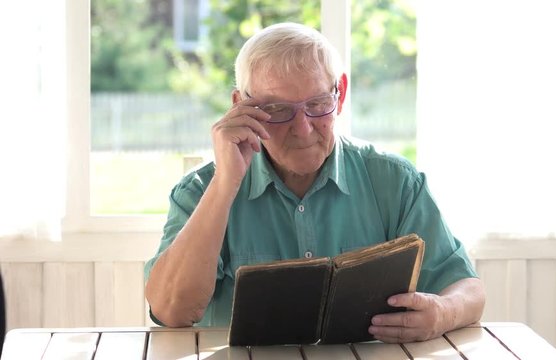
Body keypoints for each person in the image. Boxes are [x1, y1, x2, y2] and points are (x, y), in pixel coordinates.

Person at [144, 22, 485, 343]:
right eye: (278, 110)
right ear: (241, 106)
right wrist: (225, 185)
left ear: (340, 94)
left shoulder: (394, 182)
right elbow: (170, 311)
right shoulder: (200, 191)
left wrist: (441, 313)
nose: (303, 127)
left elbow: (468, 290)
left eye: (318, 104)